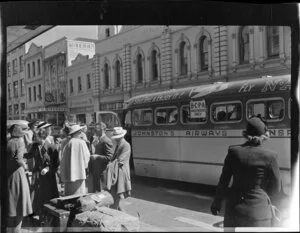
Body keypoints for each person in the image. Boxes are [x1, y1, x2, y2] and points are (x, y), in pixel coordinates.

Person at [210, 116, 281, 228]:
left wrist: (216, 204)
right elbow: (276, 188)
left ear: (246, 134)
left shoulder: (233, 152)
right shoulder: (270, 156)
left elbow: (223, 181)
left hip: (234, 210)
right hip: (259, 213)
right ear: (264, 136)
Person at [26, 127, 59, 223]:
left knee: (48, 196)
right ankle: (40, 216)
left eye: (36, 137)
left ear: (42, 137)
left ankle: (50, 217)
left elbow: (56, 163)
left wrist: (48, 168)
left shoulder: (51, 147)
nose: (34, 139)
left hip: (49, 177)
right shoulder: (35, 146)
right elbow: (29, 155)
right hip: (38, 175)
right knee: (38, 196)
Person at [7, 124, 33, 233]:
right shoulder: (20, 141)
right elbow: (19, 159)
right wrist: (25, 165)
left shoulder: (8, 141)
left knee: (11, 204)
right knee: (20, 205)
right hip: (18, 174)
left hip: (8, 174)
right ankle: (17, 230)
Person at [60, 124, 91, 196]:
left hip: (69, 173)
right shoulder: (81, 142)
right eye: (79, 131)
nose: (81, 132)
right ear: (77, 132)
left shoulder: (68, 143)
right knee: (79, 194)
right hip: (80, 172)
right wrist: (86, 167)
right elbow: (87, 157)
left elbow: (63, 158)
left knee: (70, 194)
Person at [106, 127, 132, 211]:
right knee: (116, 197)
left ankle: (115, 215)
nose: (115, 139)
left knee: (116, 197)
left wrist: (109, 165)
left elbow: (121, 160)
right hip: (117, 172)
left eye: (117, 138)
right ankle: (122, 216)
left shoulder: (126, 145)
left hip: (121, 173)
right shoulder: (119, 144)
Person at [89, 122, 113, 192]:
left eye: (99, 129)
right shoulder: (96, 139)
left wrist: (98, 156)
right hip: (96, 170)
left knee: (102, 193)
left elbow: (109, 157)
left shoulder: (106, 140)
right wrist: (92, 145)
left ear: (104, 130)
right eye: (96, 129)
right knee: (96, 192)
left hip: (102, 171)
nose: (96, 130)